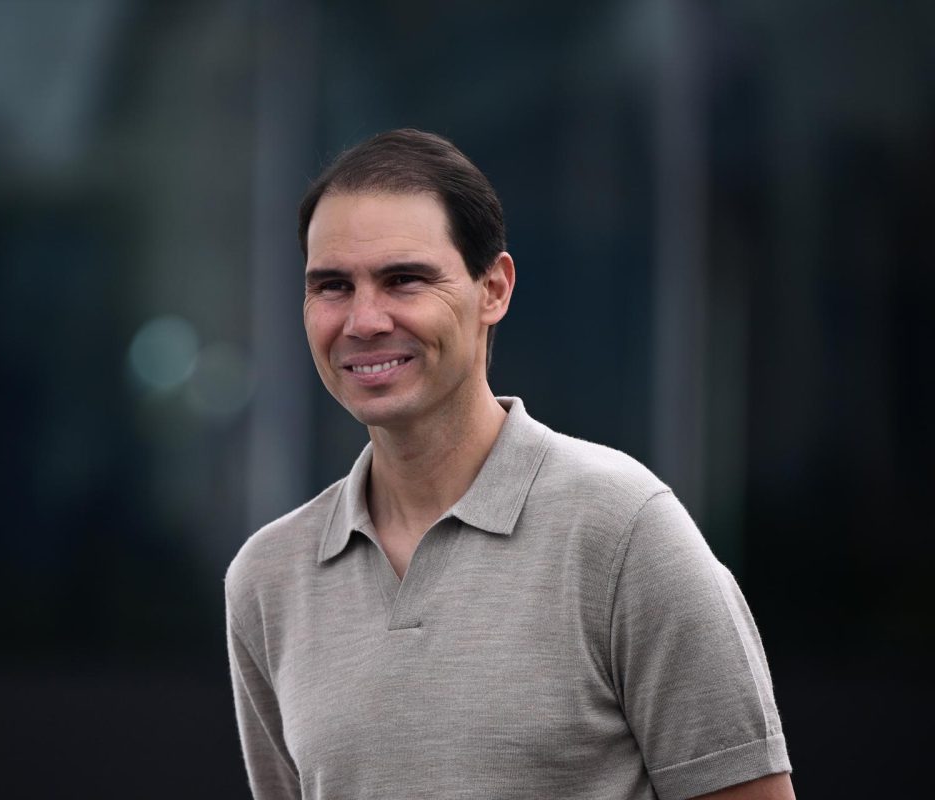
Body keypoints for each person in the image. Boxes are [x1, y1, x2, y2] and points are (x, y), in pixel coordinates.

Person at [225, 128, 794, 800]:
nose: (364, 320)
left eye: (403, 279)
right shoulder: (268, 577)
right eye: (332, 286)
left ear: (493, 288)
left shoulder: (625, 531)